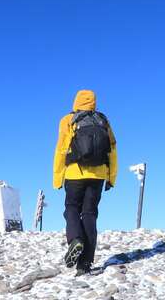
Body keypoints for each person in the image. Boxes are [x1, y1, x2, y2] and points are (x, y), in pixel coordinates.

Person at [53, 90, 118, 275]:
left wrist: (58, 178)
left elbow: (61, 149)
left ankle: (75, 239)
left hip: (75, 173)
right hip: (98, 175)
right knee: (90, 214)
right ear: (94, 102)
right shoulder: (103, 121)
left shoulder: (68, 120)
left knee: (71, 208)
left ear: (76, 101)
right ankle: (85, 264)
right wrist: (111, 177)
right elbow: (113, 149)